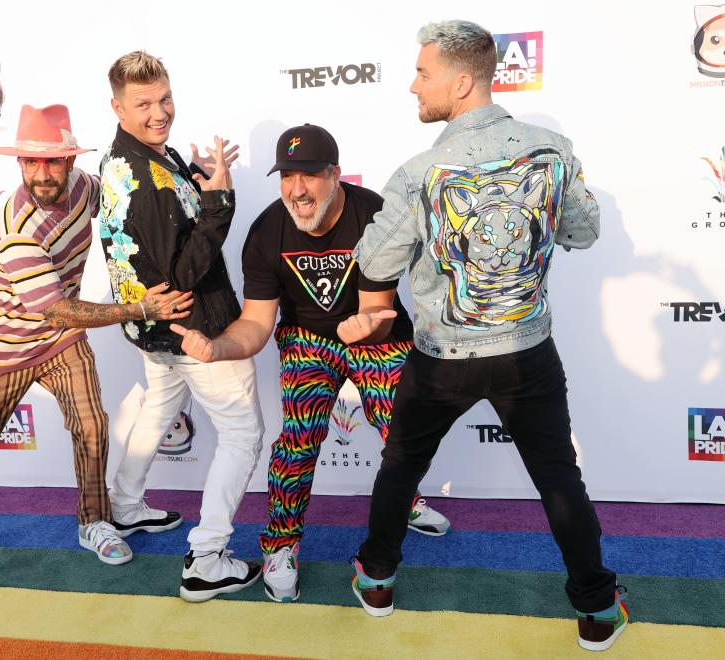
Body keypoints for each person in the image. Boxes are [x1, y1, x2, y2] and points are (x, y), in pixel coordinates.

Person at [340, 21, 628, 652]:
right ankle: (598, 608)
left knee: (401, 466)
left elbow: (376, 262)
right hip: (526, 350)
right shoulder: (551, 149)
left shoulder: (419, 172)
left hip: (443, 359)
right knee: (558, 476)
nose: (412, 85)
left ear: (462, 81)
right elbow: (583, 233)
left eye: (423, 73)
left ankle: (378, 579)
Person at [171, 124, 451, 604]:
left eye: (310, 176)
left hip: (375, 333)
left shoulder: (373, 215)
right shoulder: (265, 231)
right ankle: (280, 546)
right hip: (306, 339)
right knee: (297, 442)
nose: (297, 190)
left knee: (400, 430)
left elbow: (375, 311)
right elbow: (257, 324)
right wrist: (217, 347)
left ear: (335, 175)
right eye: (287, 177)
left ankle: (405, 499)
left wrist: (368, 329)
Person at [0, 104, 192, 565]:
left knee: (92, 424)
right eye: (30, 162)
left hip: (60, 342)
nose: (41, 173)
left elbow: (130, 204)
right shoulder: (16, 224)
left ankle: (95, 522)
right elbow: (56, 311)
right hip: (7, 344)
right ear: (19, 164)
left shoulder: (84, 188)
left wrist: (193, 177)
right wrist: (140, 307)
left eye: (52, 161)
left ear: (71, 161)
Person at [98, 51, 265, 602]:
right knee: (242, 434)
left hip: (154, 333)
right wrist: (217, 200)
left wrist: (193, 177)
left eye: (164, 98)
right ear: (118, 107)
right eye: (143, 104)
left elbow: (159, 235)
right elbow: (184, 274)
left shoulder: (132, 158)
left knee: (159, 406)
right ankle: (208, 558)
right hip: (195, 329)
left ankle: (123, 505)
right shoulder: (148, 178)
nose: (159, 112)